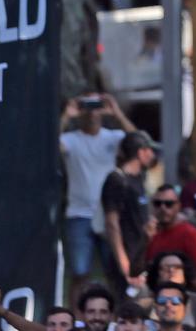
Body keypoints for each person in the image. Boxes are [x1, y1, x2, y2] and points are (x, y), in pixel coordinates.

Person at [63, 94, 135, 291]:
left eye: (96, 106)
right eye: (87, 106)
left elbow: (140, 145)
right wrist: (67, 116)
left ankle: (114, 316)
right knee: (79, 272)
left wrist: (117, 113)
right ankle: (76, 319)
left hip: (107, 214)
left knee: (113, 271)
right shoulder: (71, 139)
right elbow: (50, 145)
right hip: (79, 214)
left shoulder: (113, 137)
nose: (92, 111)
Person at [103, 130, 160, 289]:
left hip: (141, 255)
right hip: (126, 257)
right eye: (149, 150)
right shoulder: (117, 179)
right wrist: (124, 263)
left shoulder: (139, 178)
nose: (152, 155)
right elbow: (112, 224)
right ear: (141, 152)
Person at [143, 190, 196, 290]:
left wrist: (180, 292)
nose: (163, 208)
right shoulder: (150, 233)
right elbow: (135, 271)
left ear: (178, 206)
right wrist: (144, 241)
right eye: (158, 204)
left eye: (169, 204)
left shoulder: (189, 233)